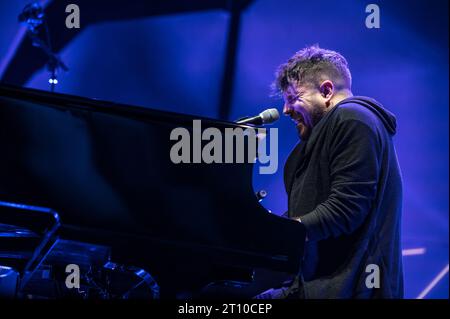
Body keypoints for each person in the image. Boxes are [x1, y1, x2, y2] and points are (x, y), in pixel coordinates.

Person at [255, 45, 404, 299]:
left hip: (351, 290)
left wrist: (283, 232)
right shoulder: (335, 128)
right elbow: (312, 211)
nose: (286, 110)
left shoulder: (353, 119)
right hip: (318, 286)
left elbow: (345, 209)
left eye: (293, 97)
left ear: (326, 91)